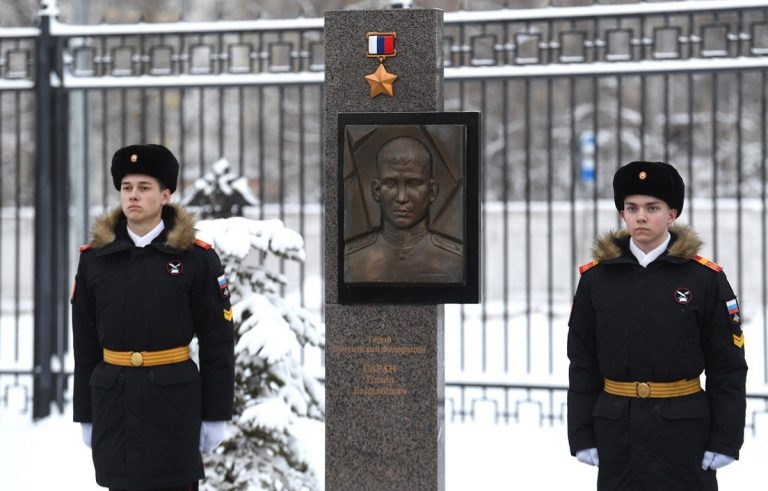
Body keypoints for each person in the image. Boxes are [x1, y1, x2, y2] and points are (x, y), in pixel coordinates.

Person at [567, 161, 747, 490]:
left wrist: (725, 438)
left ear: (672, 213)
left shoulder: (704, 279)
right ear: (622, 213)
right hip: (617, 432)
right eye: (632, 208)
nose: (641, 216)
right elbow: (582, 363)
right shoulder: (597, 279)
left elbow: (728, 367)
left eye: (653, 207)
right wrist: (581, 433)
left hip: (685, 434)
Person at [71, 144, 235, 491]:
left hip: (174, 405)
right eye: (127, 188)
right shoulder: (95, 259)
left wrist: (216, 414)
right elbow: (84, 345)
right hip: (114, 405)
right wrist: (85, 413)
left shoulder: (195, 258)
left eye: (144, 188)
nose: (133, 196)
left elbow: (217, 342)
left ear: (165, 195)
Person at [344, 135, 463, 283]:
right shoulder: (353, 258)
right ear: (376, 190)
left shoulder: (455, 258)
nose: (401, 198)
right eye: (391, 184)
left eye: (413, 184)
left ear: (432, 191)